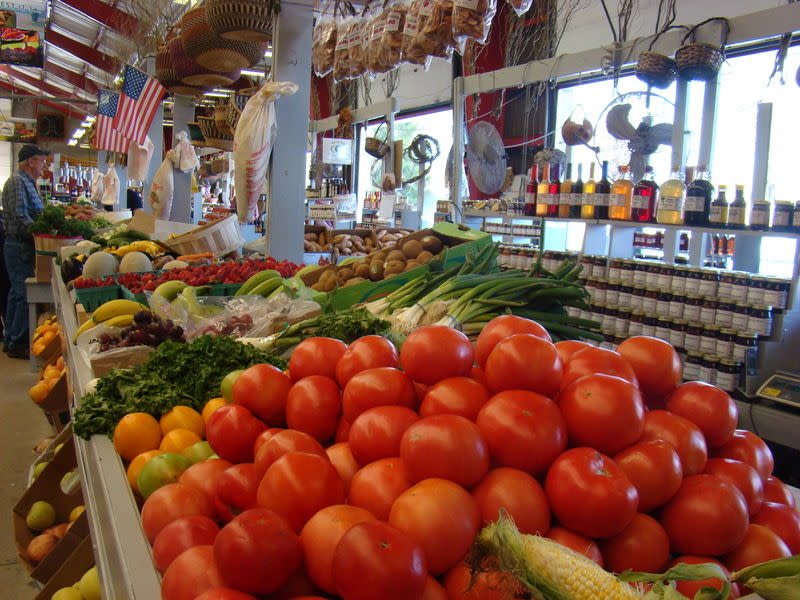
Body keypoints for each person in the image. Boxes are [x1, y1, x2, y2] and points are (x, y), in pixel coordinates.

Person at [1, 144, 50, 359]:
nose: (45, 165)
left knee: (16, 293)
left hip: (23, 245)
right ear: (30, 161)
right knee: (22, 294)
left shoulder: (28, 183)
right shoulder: (17, 182)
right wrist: (42, 235)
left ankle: (11, 339)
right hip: (18, 245)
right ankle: (18, 343)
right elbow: (21, 216)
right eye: (42, 161)